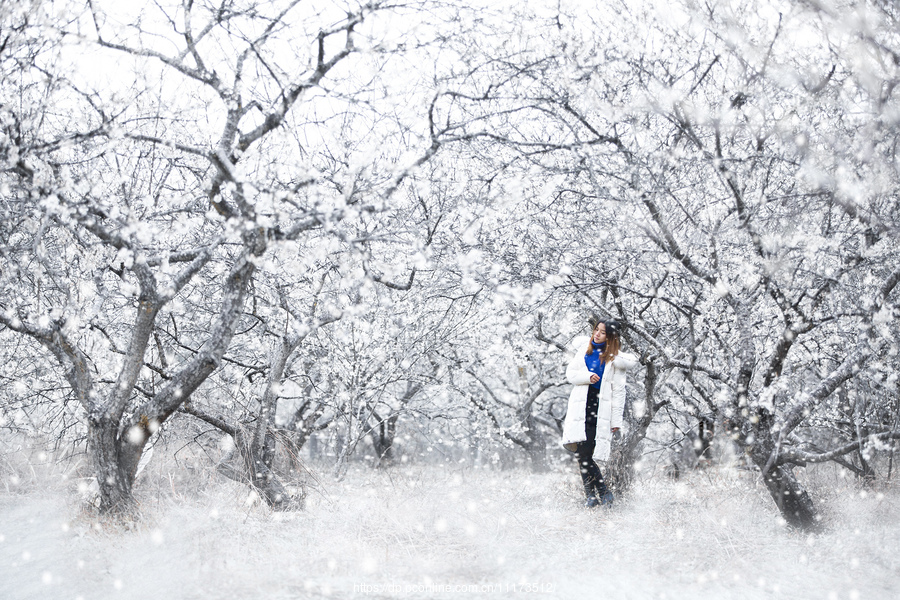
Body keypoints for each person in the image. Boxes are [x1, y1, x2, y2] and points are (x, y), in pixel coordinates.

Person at [561, 316, 637, 507]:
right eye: (596, 330)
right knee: (582, 451)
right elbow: (571, 374)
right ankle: (596, 494)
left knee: (587, 452)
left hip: (600, 407)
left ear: (610, 337)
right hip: (580, 405)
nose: (597, 334)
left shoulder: (615, 360)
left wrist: (616, 420)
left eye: (603, 332)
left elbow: (619, 392)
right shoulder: (583, 349)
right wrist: (587, 377)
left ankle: (596, 494)